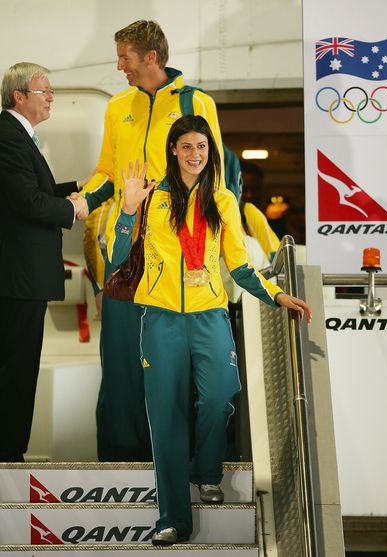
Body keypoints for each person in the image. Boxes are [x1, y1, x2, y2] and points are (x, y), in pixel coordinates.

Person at [109, 115, 312, 545]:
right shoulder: (150, 197)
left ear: (210, 151)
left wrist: (275, 295)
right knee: (165, 415)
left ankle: (207, 471)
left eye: (201, 146)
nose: (195, 154)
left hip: (209, 317)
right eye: (186, 147)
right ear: (173, 151)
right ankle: (173, 518)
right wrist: (127, 210)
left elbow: (239, 263)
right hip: (160, 318)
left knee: (220, 397)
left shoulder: (223, 199)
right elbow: (117, 258)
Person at [77, 20, 224, 462]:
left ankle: (183, 463)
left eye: (125, 57)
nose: (119, 65)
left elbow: (211, 173)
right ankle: (121, 460)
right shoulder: (117, 106)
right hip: (123, 254)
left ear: (151, 58)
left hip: (178, 258)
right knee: (121, 363)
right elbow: (107, 172)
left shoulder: (196, 102)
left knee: (178, 369)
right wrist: (80, 203)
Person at [0, 62, 89, 462]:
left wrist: (78, 190)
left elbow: (35, 189)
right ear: (19, 96)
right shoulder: (7, 135)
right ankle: (8, 457)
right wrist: (73, 211)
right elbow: (27, 202)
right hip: (18, 278)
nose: (52, 97)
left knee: (18, 370)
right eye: (45, 91)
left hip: (22, 278)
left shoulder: (20, 136)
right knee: (15, 372)